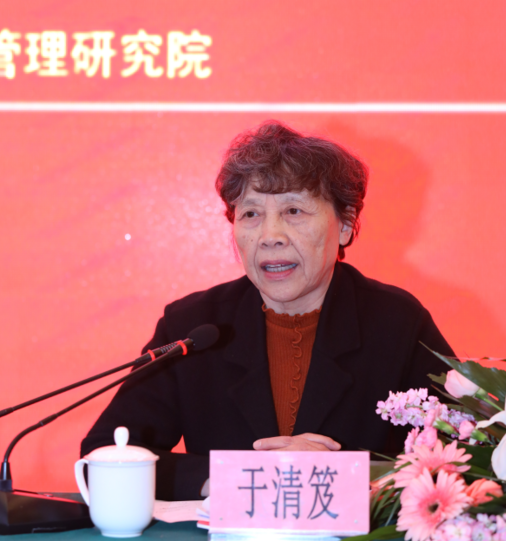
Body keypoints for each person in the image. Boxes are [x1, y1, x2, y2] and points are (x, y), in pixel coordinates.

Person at [81, 121, 453, 500]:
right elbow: (101, 457)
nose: (270, 236)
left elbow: (470, 456)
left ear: (345, 225)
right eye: (251, 214)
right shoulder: (194, 326)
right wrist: (235, 478)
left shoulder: (396, 323)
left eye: (293, 210)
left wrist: (345, 474)